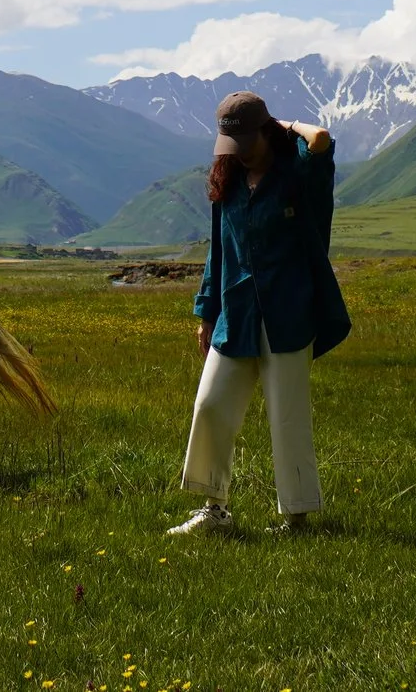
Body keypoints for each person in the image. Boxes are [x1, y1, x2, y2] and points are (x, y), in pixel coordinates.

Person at [168, 90, 352, 535]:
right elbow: (219, 253)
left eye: (246, 143)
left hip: (289, 315)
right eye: (231, 146)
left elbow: (322, 139)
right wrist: (205, 312)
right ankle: (214, 511)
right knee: (210, 404)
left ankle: (297, 517)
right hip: (237, 313)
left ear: (266, 134)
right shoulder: (226, 184)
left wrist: (285, 123)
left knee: (287, 416)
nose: (239, 155)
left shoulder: (299, 175)